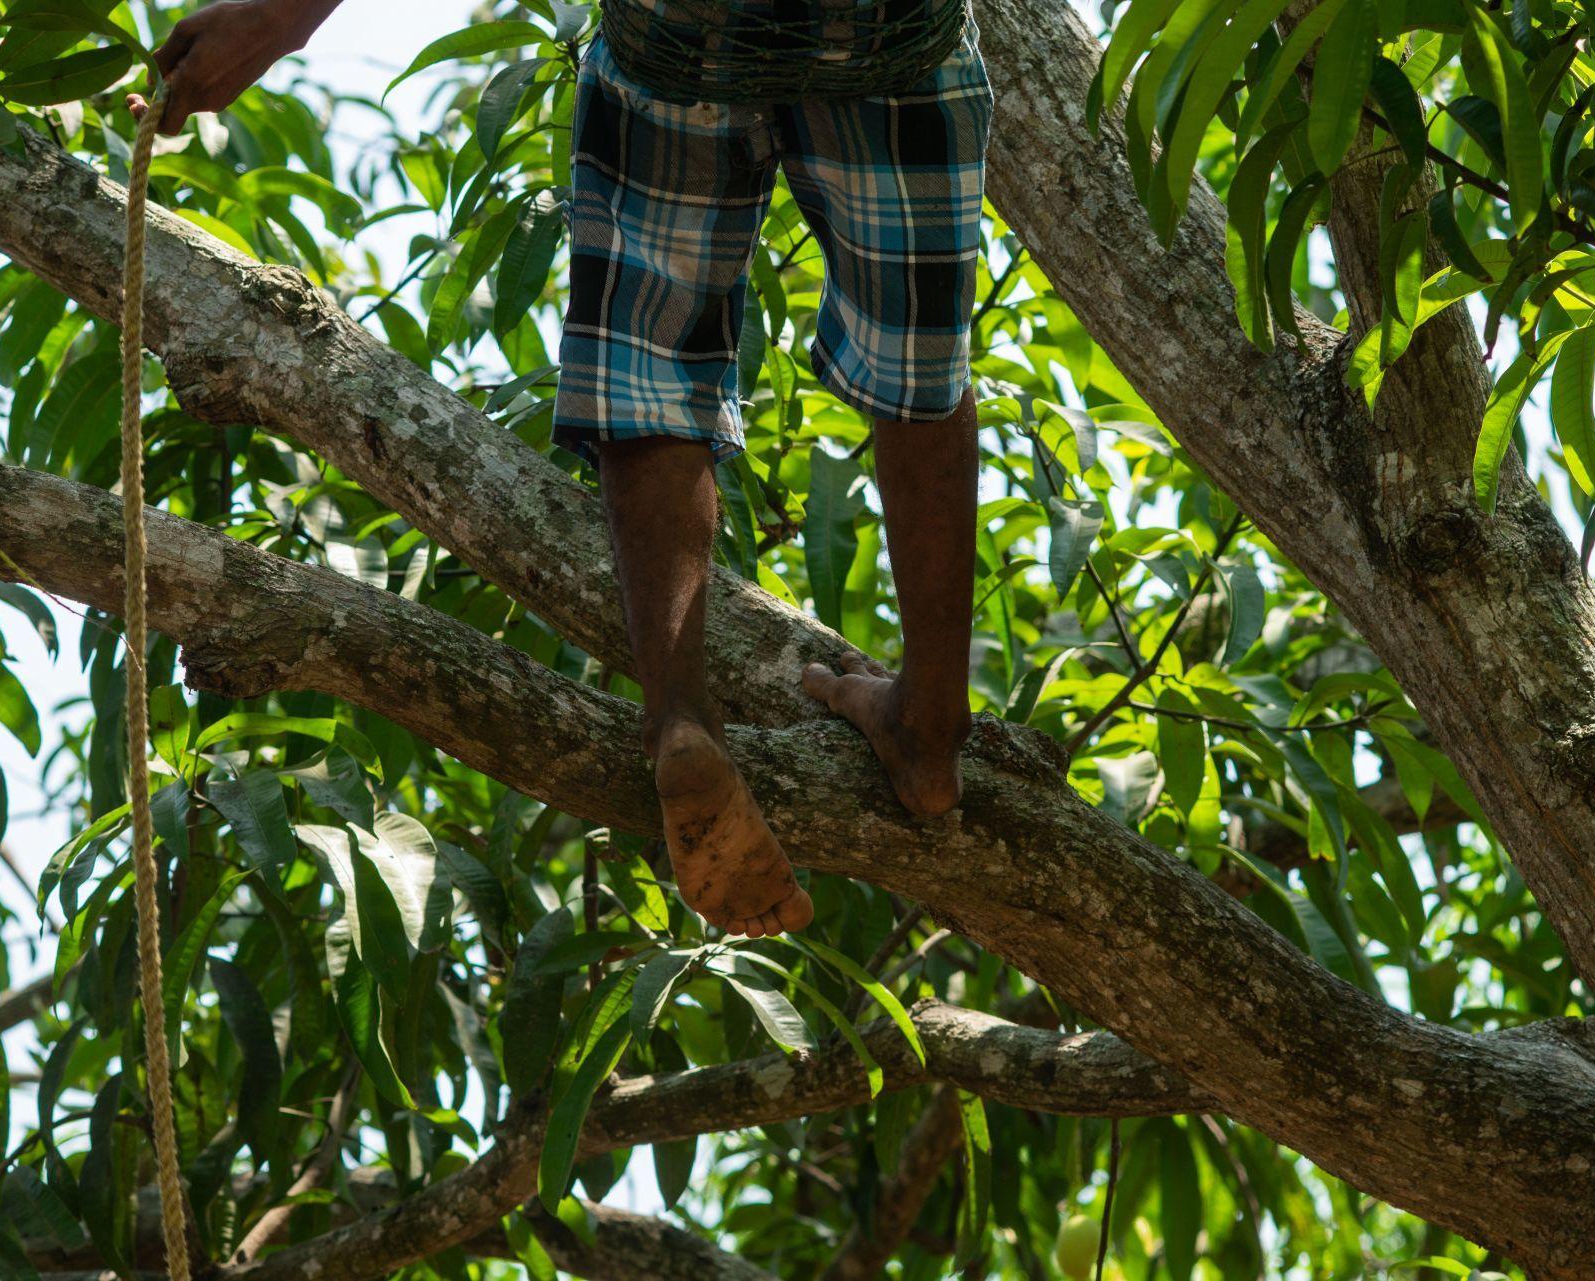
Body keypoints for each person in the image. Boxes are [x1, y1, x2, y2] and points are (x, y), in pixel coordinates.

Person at [131, 0, 989, 940]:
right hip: (883, 30)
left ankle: (680, 719)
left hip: (679, 32)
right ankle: (930, 727)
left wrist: (282, 15)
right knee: (918, 357)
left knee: (648, 359)